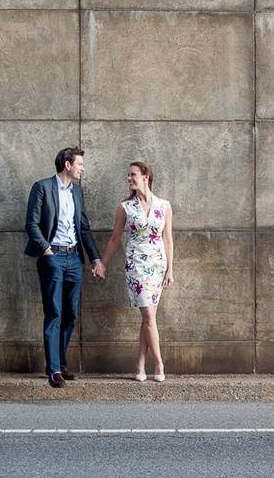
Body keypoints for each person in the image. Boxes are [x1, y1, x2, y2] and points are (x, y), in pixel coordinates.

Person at [24, 147, 105, 388]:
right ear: (67, 164)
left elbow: (84, 229)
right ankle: (54, 369)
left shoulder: (77, 193)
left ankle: (60, 362)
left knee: (70, 313)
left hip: (74, 260)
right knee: (55, 312)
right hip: (53, 256)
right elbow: (31, 224)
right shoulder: (42, 188)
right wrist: (46, 251)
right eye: (79, 163)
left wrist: (95, 259)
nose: (82, 168)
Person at [98, 161, 174, 381]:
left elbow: (167, 239)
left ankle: (140, 365)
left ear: (145, 176)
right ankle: (159, 364)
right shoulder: (125, 207)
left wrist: (170, 269)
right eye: (128, 175)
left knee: (148, 319)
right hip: (136, 267)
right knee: (148, 315)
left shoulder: (164, 206)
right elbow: (114, 239)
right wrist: (103, 263)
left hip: (157, 266)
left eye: (133, 174)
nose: (129, 178)